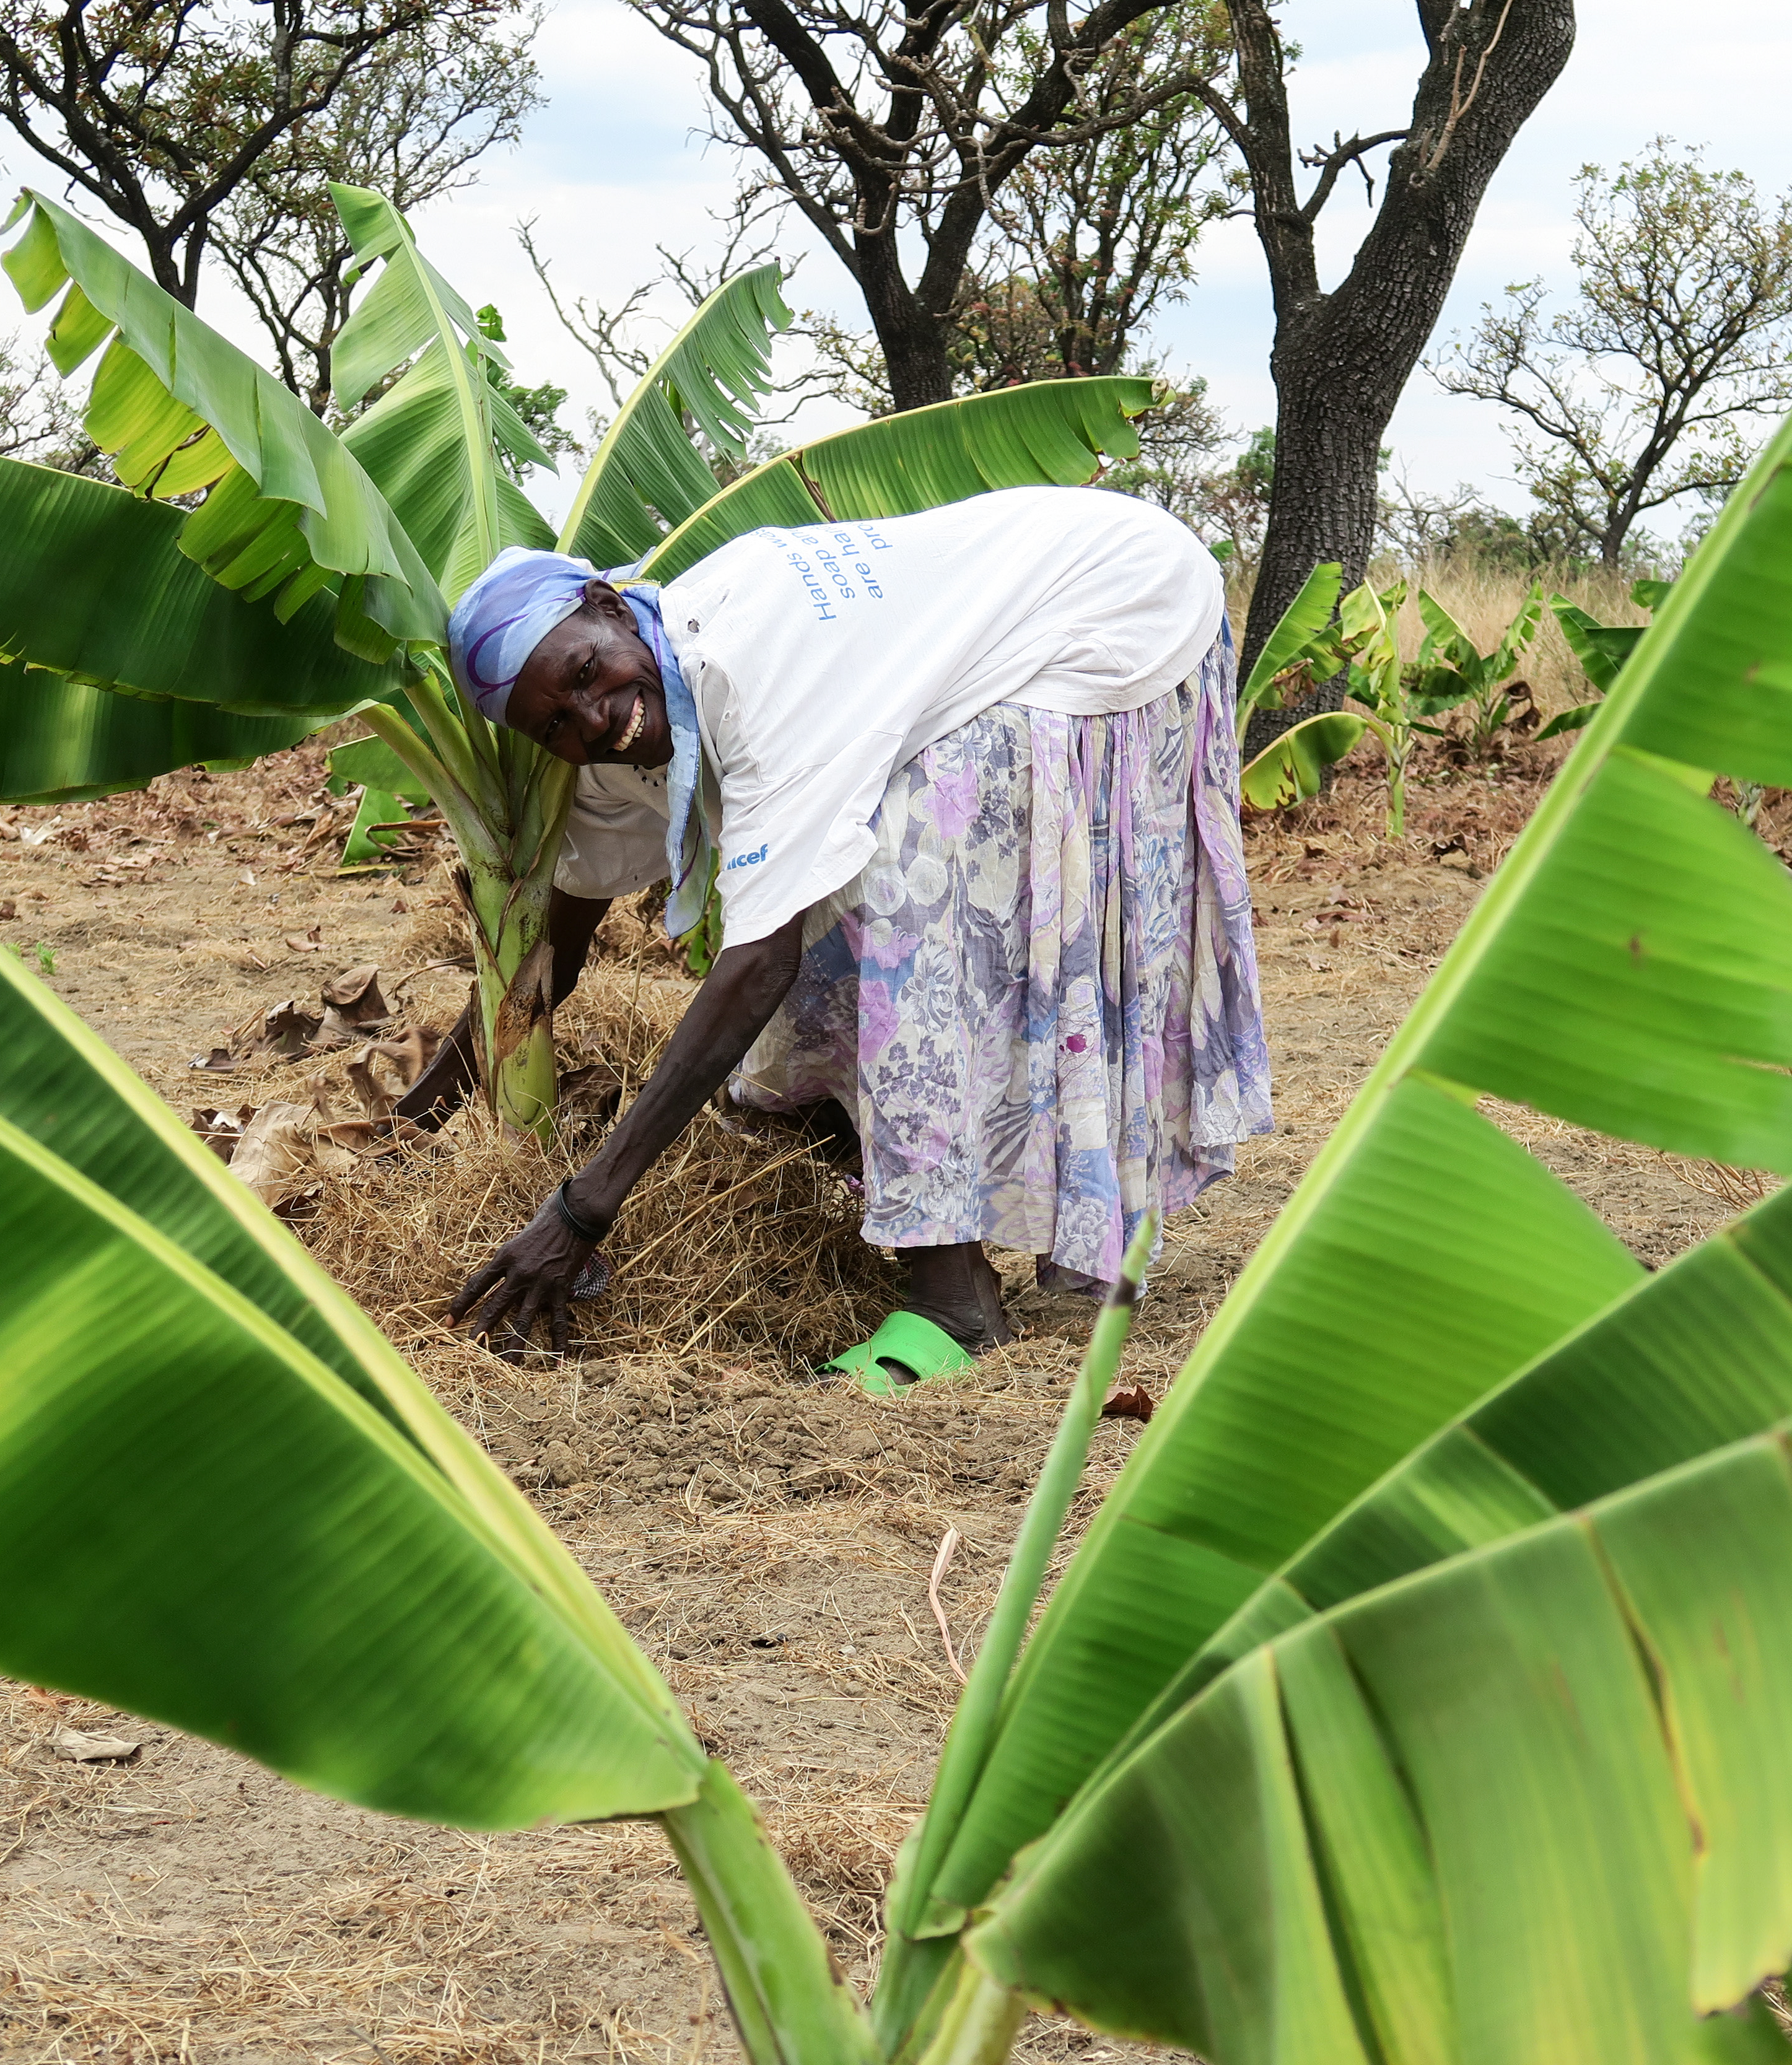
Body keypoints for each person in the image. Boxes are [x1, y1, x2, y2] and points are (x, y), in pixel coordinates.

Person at [439, 484, 1272, 1389]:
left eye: (586, 674)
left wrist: (583, 1211)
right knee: (838, 893)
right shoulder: (639, 693)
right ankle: (907, 1184)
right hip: (1037, 601)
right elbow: (561, 930)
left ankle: (954, 1298)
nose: (596, 718)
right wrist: (433, 1104)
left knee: (894, 893)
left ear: (608, 606)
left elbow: (762, 960)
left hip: (1118, 600)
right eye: (556, 725)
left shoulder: (747, 668)